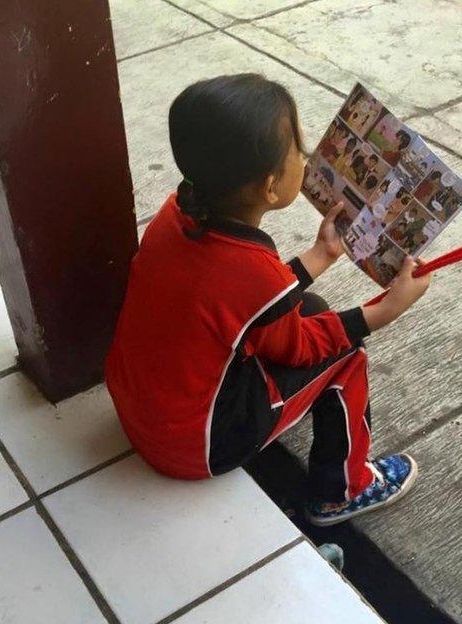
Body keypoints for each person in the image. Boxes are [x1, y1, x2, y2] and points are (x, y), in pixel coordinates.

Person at [105, 74, 430, 527]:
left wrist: (321, 254)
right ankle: (343, 491)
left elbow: (252, 301)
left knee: (310, 308)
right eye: (298, 148)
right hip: (193, 446)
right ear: (272, 187)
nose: (307, 155)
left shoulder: (175, 214)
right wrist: (385, 311)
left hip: (141, 409)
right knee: (345, 353)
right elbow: (296, 342)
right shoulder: (250, 271)